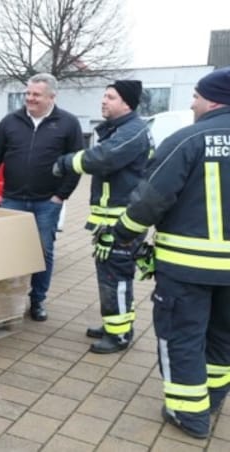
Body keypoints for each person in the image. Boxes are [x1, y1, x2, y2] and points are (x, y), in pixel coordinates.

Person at [108, 67, 230, 439]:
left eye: (195, 96)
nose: (191, 103)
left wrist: (124, 233)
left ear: (212, 99)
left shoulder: (188, 139)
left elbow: (151, 199)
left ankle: (188, 413)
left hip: (187, 267)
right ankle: (211, 397)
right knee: (223, 335)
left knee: (182, 335)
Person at [0, 73, 83, 322]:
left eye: (36, 95)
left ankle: (37, 300)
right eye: (28, 93)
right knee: (10, 252)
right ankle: (8, 303)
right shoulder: (10, 121)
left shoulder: (68, 123)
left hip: (47, 202)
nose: (29, 99)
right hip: (12, 199)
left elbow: (76, 163)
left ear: (52, 97)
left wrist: (60, 195)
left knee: (43, 252)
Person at [53, 80, 153, 353]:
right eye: (104, 96)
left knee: (115, 277)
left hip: (121, 222)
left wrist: (64, 162)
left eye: (110, 97)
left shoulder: (132, 131)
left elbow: (103, 158)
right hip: (112, 219)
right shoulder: (123, 129)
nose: (103, 101)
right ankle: (116, 324)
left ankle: (118, 335)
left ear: (127, 104)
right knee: (112, 275)